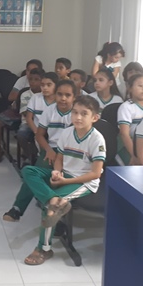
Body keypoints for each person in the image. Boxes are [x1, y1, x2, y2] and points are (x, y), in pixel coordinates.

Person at [21, 96, 106, 265]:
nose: (78, 117)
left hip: (84, 181)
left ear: (94, 118)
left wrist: (65, 182)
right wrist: (57, 172)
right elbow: (59, 158)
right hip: (66, 174)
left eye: (84, 114)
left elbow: (96, 174)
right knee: (29, 171)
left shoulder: (97, 139)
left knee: (52, 207)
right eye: (75, 113)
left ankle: (44, 249)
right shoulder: (67, 132)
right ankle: (51, 199)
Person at [3, 79, 76, 223]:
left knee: (61, 177)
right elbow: (39, 135)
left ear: (75, 97)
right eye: (59, 94)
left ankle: (58, 219)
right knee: (35, 172)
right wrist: (48, 150)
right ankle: (18, 208)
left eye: (68, 95)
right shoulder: (50, 110)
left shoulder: (77, 113)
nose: (63, 98)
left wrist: (62, 155)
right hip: (52, 149)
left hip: (71, 152)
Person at [117, 73, 143, 165]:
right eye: (140, 86)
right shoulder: (126, 107)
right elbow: (124, 134)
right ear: (130, 88)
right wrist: (134, 155)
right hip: (130, 146)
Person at [15, 69, 43, 165]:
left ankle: (41, 155)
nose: (33, 82)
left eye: (36, 79)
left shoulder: (46, 94)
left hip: (42, 123)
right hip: (28, 123)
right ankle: (29, 155)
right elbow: (25, 113)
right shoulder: (25, 94)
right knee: (21, 134)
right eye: (30, 79)